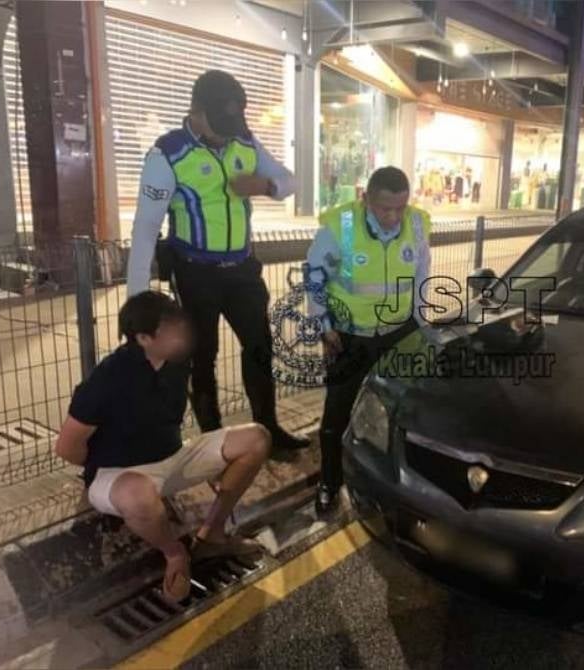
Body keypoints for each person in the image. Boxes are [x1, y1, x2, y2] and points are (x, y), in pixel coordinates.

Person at [125, 69, 310, 454]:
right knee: (200, 356)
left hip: (242, 269)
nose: (229, 132)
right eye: (221, 122)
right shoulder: (167, 153)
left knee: (260, 347)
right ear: (196, 111)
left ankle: (267, 429)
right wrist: (138, 304)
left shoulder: (243, 140)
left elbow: (291, 181)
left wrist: (264, 185)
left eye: (234, 122)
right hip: (195, 272)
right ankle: (214, 443)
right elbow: (144, 231)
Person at [54, 291, 271, 602]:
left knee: (256, 438)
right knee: (137, 494)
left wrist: (211, 462)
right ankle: (175, 554)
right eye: (171, 329)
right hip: (118, 474)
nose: (182, 334)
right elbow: (67, 448)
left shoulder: (176, 362)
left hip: (173, 456)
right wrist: (111, 463)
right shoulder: (108, 378)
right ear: (143, 338)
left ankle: (212, 534)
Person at [305, 167, 432, 516]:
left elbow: (422, 276)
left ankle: (393, 482)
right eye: (384, 208)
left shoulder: (418, 224)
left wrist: (422, 325)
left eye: (400, 208)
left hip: (399, 332)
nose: (393, 217)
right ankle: (330, 481)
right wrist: (323, 325)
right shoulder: (341, 227)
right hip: (348, 336)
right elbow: (314, 275)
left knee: (401, 409)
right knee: (338, 411)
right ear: (366, 199)